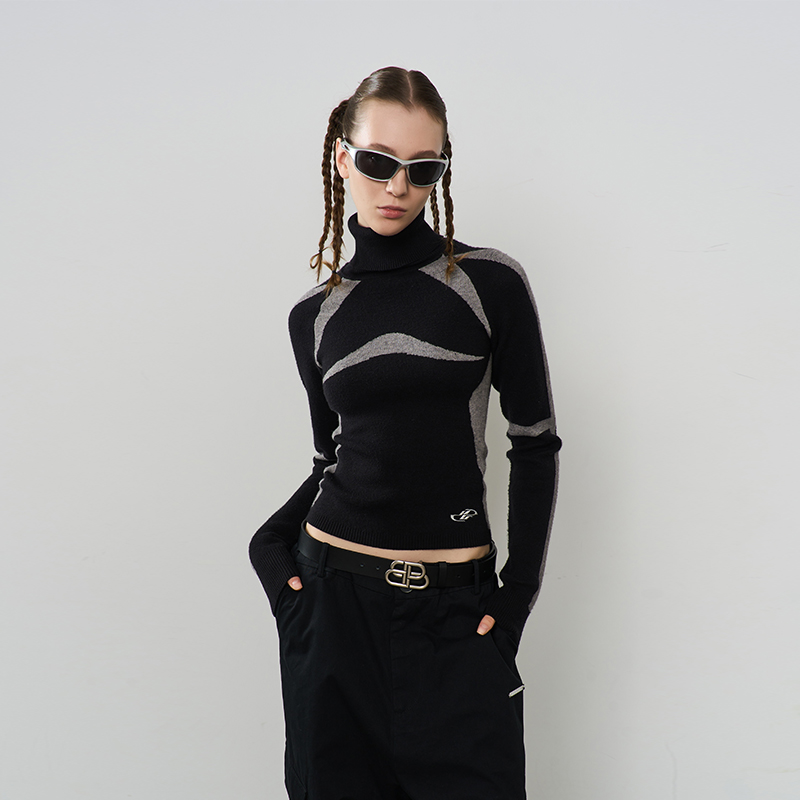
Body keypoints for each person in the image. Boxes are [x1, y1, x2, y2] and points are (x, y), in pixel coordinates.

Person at [249, 66, 562, 800]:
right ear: (342, 158)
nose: (397, 186)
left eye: (423, 169)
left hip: (458, 617)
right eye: (378, 161)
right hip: (333, 611)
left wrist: (516, 596)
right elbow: (331, 458)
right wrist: (268, 544)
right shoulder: (314, 316)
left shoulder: (488, 283)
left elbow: (535, 443)